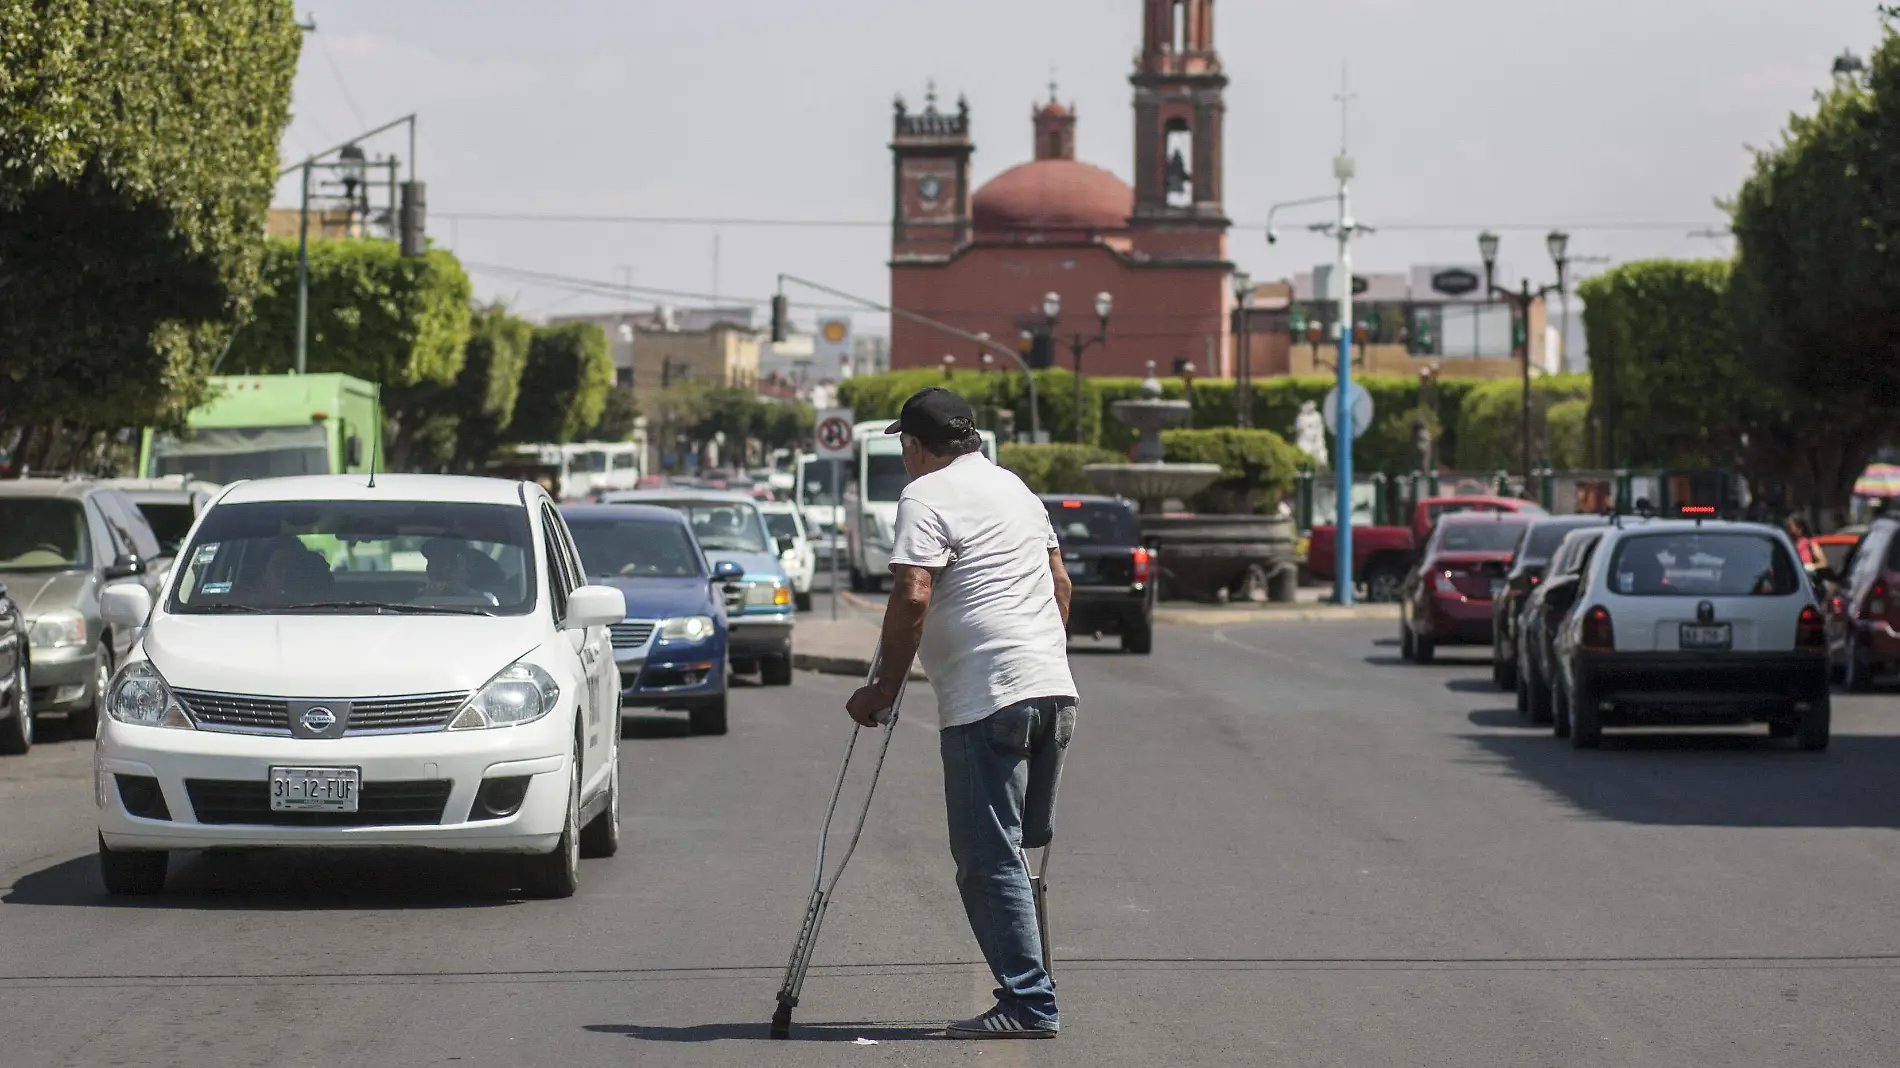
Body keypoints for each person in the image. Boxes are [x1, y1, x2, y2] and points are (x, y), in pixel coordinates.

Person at [844, 387, 1076, 1040]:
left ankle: (1029, 1003)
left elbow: (913, 592)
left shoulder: (924, 495)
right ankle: (1032, 989)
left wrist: (882, 691)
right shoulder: (1015, 490)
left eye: (904, 448)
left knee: (986, 858)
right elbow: (1061, 584)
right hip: (1053, 692)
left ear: (915, 447)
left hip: (988, 701)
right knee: (1015, 852)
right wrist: (1039, 653)